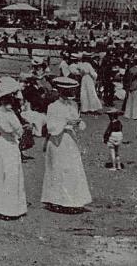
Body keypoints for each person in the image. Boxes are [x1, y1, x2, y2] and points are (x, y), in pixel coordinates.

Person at [41, 77, 92, 214]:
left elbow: (80, 124)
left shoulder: (73, 105)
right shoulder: (53, 107)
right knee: (59, 170)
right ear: (60, 91)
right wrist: (65, 122)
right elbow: (51, 128)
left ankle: (73, 201)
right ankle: (57, 201)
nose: (68, 95)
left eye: (69, 91)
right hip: (58, 141)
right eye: (65, 91)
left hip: (70, 141)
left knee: (72, 169)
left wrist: (79, 122)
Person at [0, 79, 28, 220]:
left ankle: (15, 207)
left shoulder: (10, 112)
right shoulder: (0, 113)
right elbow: (10, 129)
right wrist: (20, 129)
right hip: (6, 144)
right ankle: (6, 209)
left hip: (12, 144)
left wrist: (20, 129)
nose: (10, 100)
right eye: (6, 97)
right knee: (7, 174)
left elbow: (17, 130)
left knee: (13, 175)